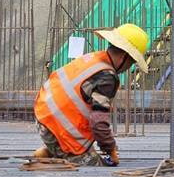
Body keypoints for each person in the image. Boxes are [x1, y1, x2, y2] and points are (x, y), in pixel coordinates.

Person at [33, 23, 149, 166]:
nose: (128, 68)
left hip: (44, 115)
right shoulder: (107, 77)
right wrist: (111, 150)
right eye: (131, 62)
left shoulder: (94, 59)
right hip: (57, 128)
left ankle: (52, 151)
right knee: (96, 166)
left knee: (85, 150)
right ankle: (60, 151)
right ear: (125, 56)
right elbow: (98, 122)